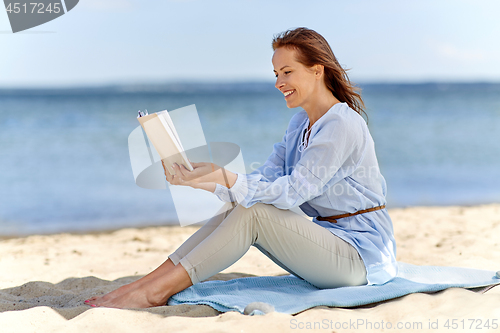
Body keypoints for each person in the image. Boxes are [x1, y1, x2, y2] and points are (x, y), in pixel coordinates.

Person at [85, 27, 397, 309]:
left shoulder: (340, 124)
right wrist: (202, 178)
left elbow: (291, 193)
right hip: (331, 241)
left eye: (287, 72)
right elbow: (265, 180)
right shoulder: (301, 122)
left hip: (360, 259)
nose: (279, 83)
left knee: (253, 211)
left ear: (317, 70)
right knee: (239, 204)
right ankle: (143, 286)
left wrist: (227, 177)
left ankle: (153, 293)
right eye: (276, 73)